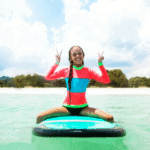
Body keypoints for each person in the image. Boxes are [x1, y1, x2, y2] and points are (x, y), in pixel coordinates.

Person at [36, 46, 114, 124]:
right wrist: (57, 63)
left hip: (83, 108)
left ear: (83, 56)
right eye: (74, 54)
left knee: (109, 118)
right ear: (71, 58)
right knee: (39, 117)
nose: (77, 56)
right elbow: (48, 77)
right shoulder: (65, 71)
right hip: (67, 108)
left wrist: (100, 64)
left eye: (80, 53)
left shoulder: (88, 71)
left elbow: (106, 80)